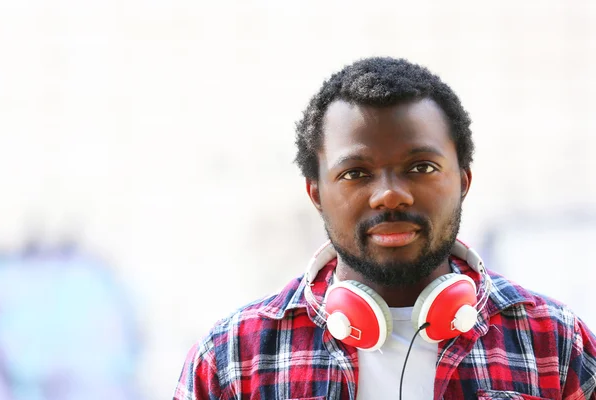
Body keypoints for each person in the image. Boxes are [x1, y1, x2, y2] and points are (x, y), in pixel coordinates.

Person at [173, 57, 596, 399]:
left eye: (421, 167)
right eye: (356, 173)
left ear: (463, 182)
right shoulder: (231, 360)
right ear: (316, 193)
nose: (390, 196)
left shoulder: (557, 345)